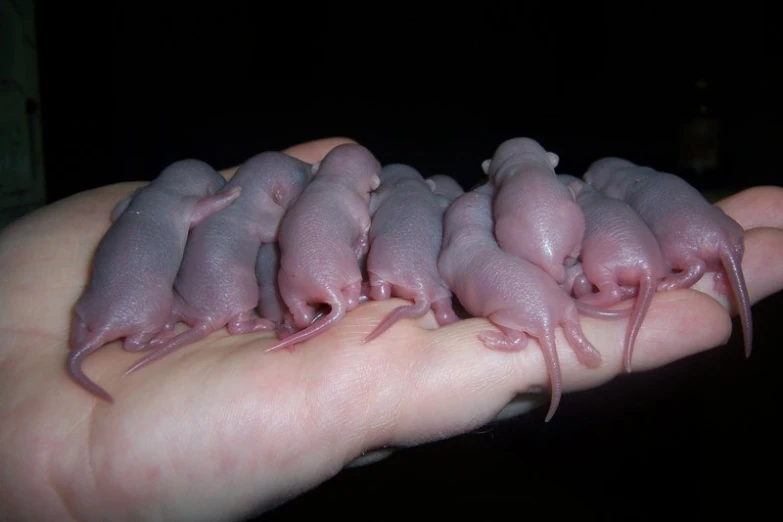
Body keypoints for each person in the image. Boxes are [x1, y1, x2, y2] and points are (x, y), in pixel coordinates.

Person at [0, 137, 781, 521]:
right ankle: (580, 281)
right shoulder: (469, 214)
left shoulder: (204, 212)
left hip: (323, 267)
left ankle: (216, 309)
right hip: (510, 258)